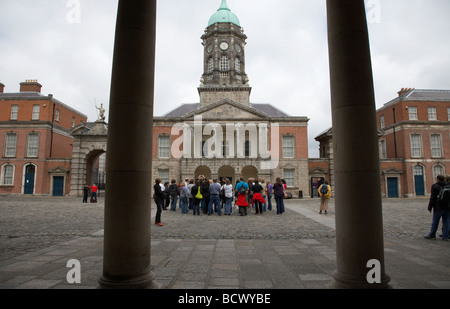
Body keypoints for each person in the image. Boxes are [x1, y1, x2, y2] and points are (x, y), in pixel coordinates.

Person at [425, 175, 449, 241]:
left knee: (435, 221)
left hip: (438, 206)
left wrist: (430, 207)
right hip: (447, 207)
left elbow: (432, 197)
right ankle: (445, 236)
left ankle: (432, 234)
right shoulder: (447, 186)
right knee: (446, 222)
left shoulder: (435, 186)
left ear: (437, 179)